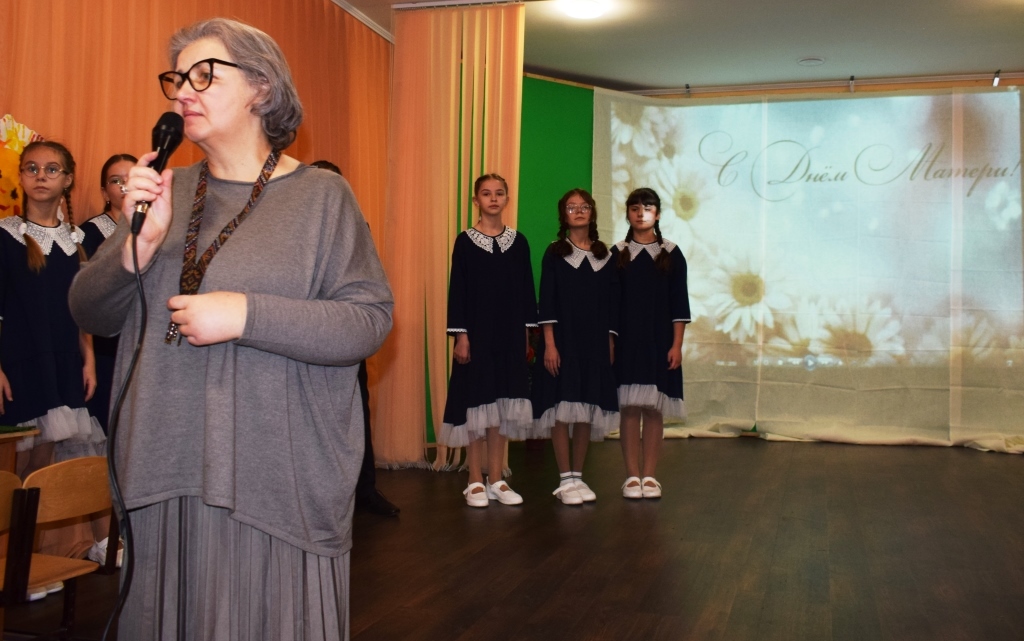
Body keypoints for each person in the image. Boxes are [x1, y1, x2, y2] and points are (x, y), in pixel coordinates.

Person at [69, 18, 393, 641]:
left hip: (274, 477)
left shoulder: (322, 196)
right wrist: (139, 247)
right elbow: (90, 311)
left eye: (204, 75)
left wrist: (247, 314)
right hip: (163, 467)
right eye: (176, 79)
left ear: (261, 88)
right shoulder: (163, 191)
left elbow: (367, 322)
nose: (182, 91)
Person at [0, 141, 103, 475]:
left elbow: (81, 308)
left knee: (41, 466)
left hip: (62, 364)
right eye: (31, 168)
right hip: (19, 363)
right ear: (21, 177)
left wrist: (88, 360)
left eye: (51, 169)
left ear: (67, 180)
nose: (40, 176)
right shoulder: (6, 236)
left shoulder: (77, 240)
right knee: (13, 465)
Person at [440, 174, 537, 508]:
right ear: (476, 200)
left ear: (507, 199)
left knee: (502, 407)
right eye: (486, 193)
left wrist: (525, 336)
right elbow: (458, 292)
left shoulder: (519, 242)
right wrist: (461, 336)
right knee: (476, 405)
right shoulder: (465, 242)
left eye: (499, 193)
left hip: (509, 336)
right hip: (477, 336)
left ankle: (496, 478)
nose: (493, 198)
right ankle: (473, 480)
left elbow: (526, 292)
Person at [310, 158, 398, 517]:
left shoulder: (358, 226)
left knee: (358, 411)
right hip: (305, 337)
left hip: (347, 335)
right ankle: (319, 496)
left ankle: (365, 491)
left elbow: (369, 282)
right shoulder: (294, 227)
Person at [532, 188, 619, 504]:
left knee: (585, 406)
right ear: (563, 214)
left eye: (584, 206)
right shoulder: (554, 253)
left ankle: (578, 477)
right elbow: (547, 301)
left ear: (592, 212)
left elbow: (611, 304)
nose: (579, 211)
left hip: (593, 343)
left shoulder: (605, 256)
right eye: (572, 207)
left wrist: (609, 341)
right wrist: (550, 345)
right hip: (562, 342)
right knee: (561, 407)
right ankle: (565, 479)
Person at [612, 187, 690, 499]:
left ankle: (650, 476)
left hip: (660, 342)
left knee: (654, 409)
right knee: (630, 409)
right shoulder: (617, 253)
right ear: (628, 214)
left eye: (647, 207)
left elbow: (679, 303)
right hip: (628, 343)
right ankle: (632, 476)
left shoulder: (671, 253)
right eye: (635, 208)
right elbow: (611, 305)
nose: (640, 213)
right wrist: (611, 342)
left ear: (657, 214)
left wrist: (677, 345)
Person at [82, 153, 138, 435]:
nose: (125, 186)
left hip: (144, 342)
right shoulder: (89, 233)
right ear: (104, 192)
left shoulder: (160, 227)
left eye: (131, 178)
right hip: (107, 346)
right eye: (116, 181)